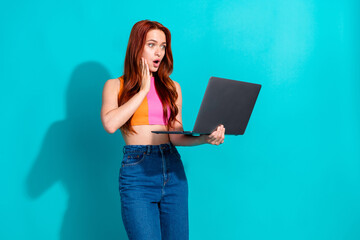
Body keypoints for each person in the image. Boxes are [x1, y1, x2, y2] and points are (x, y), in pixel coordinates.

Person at [100, 20, 225, 240]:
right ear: (136, 46)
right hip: (137, 173)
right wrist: (143, 90)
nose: (159, 52)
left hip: (172, 170)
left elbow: (176, 135)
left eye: (163, 46)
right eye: (151, 44)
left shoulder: (172, 87)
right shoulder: (115, 86)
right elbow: (110, 124)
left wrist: (205, 138)